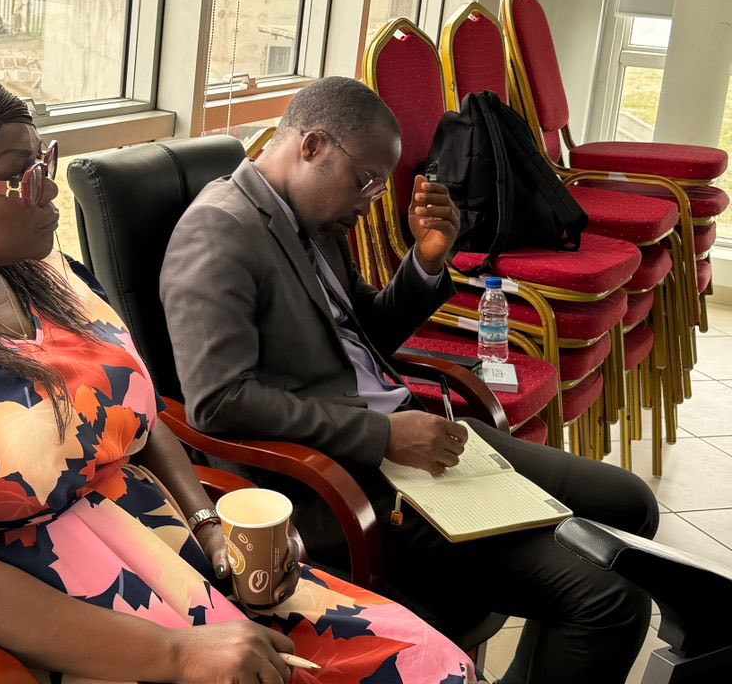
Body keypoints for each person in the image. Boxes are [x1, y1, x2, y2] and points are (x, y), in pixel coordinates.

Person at [0, 68, 476, 684]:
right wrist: (179, 655)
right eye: (19, 174)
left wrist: (211, 527)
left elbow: (140, 418)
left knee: (427, 661)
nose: (48, 188)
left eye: (45, 161)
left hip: (172, 554)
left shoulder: (50, 280)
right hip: (43, 623)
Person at [160, 76, 661, 684]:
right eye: (366, 180)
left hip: (408, 442)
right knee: (610, 603)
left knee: (631, 505)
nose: (372, 200)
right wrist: (384, 436)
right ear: (312, 146)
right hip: (341, 479)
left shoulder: (312, 217)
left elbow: (364, 332)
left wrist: (426, 261)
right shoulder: (219, 230)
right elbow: (219, 401)